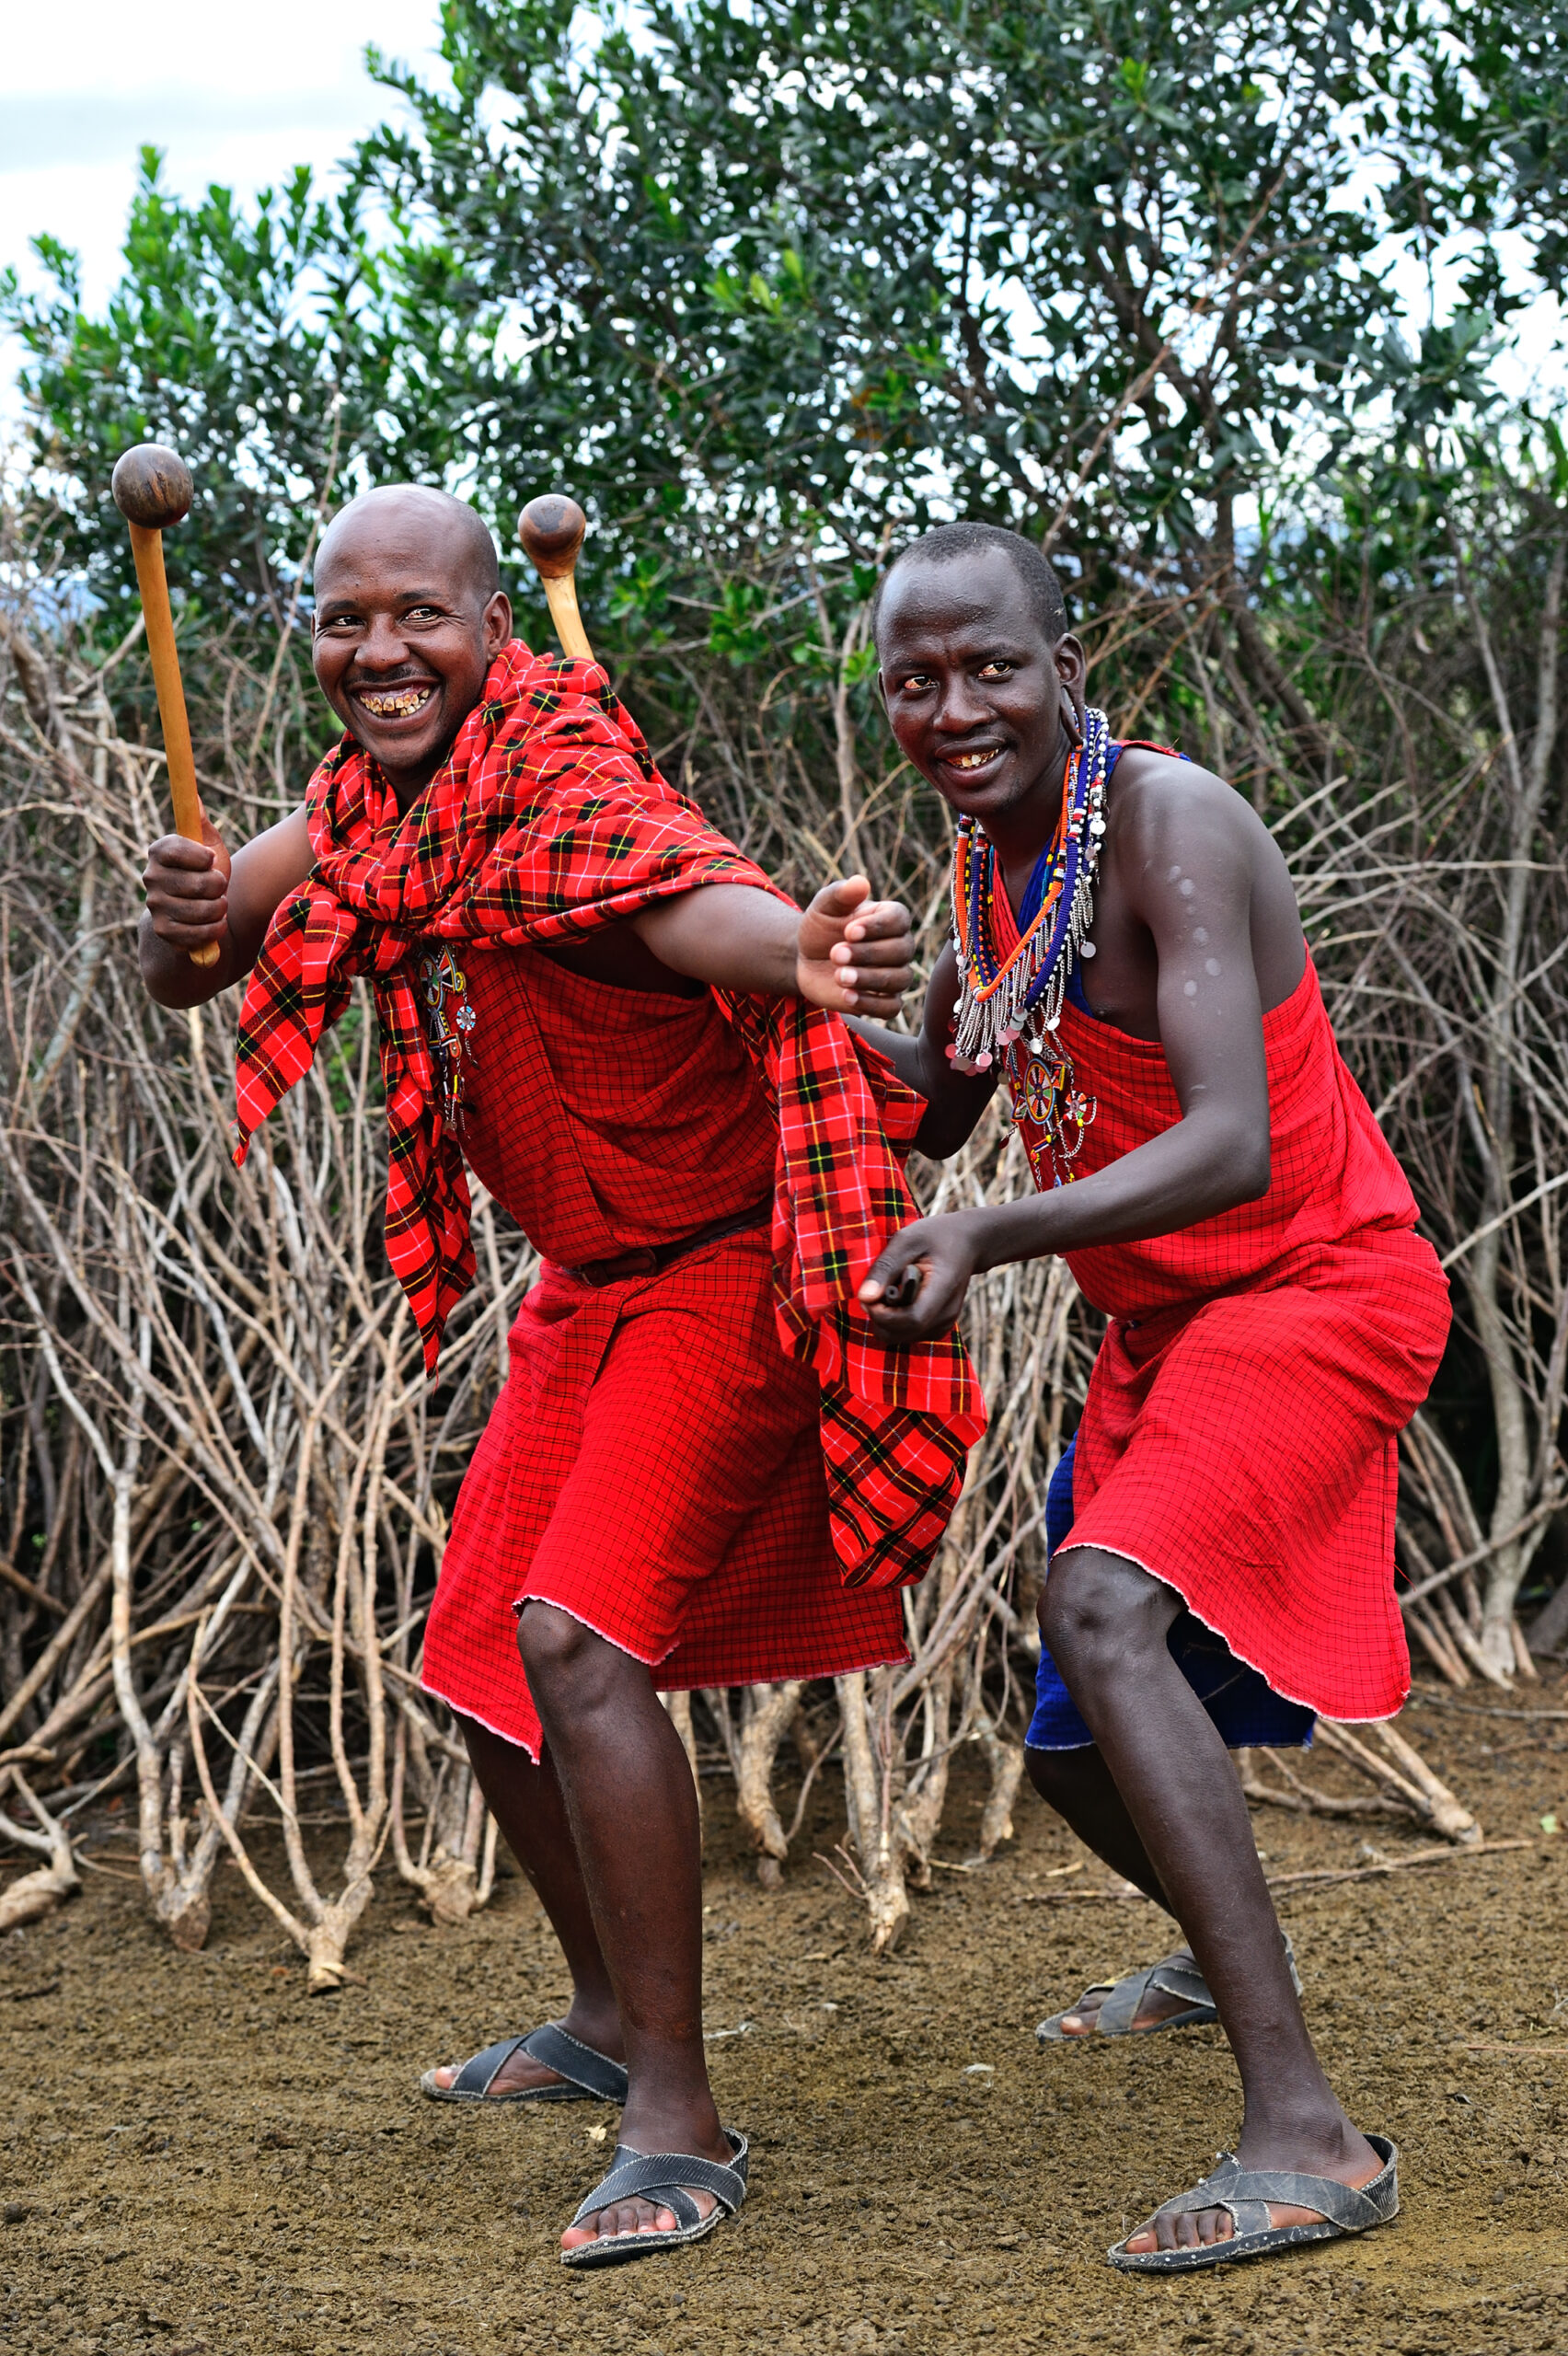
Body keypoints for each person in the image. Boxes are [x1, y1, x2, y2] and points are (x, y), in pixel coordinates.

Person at [139, 485, 982, 2269]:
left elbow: (699, 907)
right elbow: (196, 970)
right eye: (345, 619)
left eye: (418, 617)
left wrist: (809, 953)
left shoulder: (566, 789)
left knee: (577, 1641)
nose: (380, 653)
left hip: (730, 1276)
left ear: (491, 624)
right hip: (587, 1290)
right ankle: (601, 2011)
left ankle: (678, 2104)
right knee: (476, 1658)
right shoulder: (371, 808)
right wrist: (182, 913)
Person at [848, 522, 1449, 2272]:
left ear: (1066, 669)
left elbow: (1228, 1139)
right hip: (1168, 1332)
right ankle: (1208, 1954)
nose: (953, 707)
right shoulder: (984, 859)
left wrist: (987, 1236)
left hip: (1318, 1290)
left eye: (990, 668)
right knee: (1069, 1753)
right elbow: (948, 1098)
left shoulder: (1168, 826)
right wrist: (795, 1007)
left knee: (1101, 1610)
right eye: (915, 680)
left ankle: (1310, 2136)